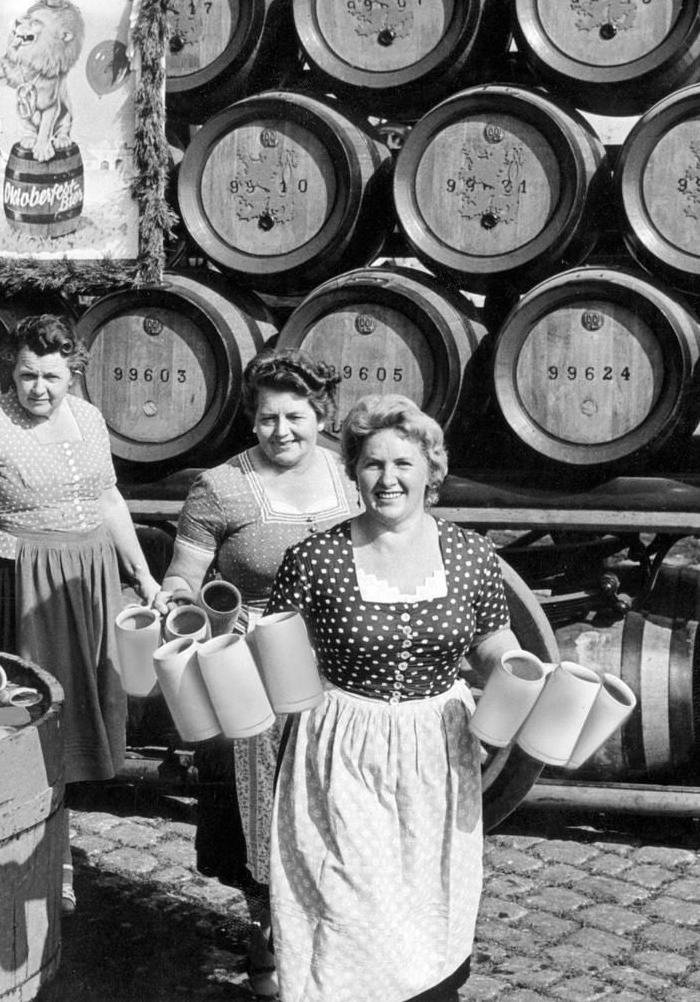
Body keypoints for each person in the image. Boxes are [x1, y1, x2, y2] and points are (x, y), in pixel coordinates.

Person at [264, 394, 520, 1002]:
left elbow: (492, 640)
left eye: (403, 464)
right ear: (353, 473)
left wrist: (518, 671)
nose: (388, 479)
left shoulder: (470, 555)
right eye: (373, 464)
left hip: (438, 747)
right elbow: (277, 652)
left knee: (427, 893)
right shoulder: (315, 559)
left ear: (432, 471)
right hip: (344, 744)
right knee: (349, 900)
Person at [0, 313, 160, 913]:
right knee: (23, 722)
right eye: (26, 376)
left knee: (74, 724)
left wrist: (142, 574)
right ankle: (30, 860)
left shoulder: (91, 418)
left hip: (88, 581)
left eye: (52, 377)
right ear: (9, 372)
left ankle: (54, 851)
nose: (38, 389)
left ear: (73, 373)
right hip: (20, 582)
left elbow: (106, 496)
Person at [154, 348, 358, 999]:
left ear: (320, 415)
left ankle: (342, 930)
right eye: (267, 419)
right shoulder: (222, 487)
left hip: (342, 666)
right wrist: (188, 611)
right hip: (254, 670)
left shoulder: (352, 474)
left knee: (341, 802)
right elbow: (183, 578)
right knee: (263, 807)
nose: (281, 432)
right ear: (252, 419)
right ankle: (268, 929)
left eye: (295, 417)